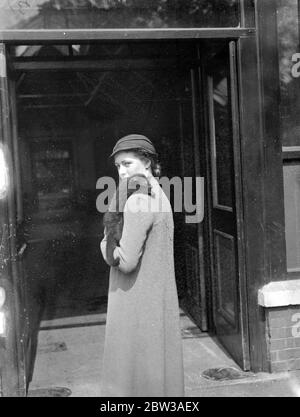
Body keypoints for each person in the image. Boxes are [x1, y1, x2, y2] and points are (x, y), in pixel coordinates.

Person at [100, 134, 184, 397]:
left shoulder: (137, 200)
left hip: (133, 300)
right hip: (155, 297)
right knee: (157, 374)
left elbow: (124, 262)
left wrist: (104, 242)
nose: (122, 172)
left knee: (131, 379)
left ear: (147, 161)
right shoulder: (159, 193)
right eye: (118, 167)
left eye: (127, 164)